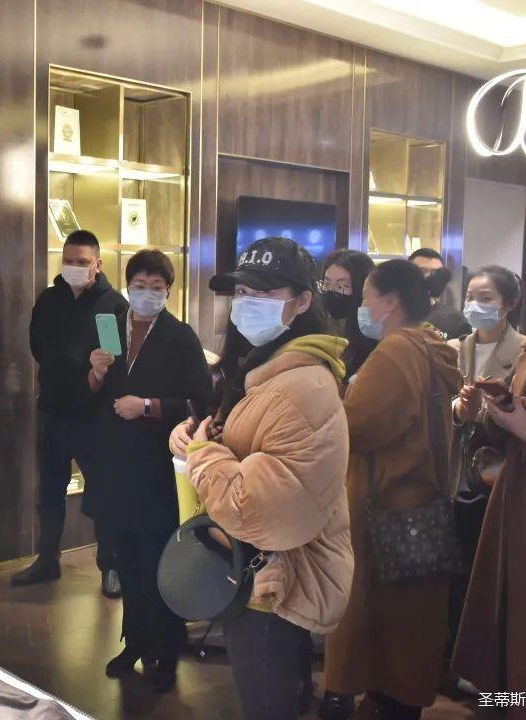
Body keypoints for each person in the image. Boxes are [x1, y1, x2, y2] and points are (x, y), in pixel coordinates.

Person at [170, 237, 353, 719]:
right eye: (241, 292)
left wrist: (202, 456)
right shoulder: (264, 369)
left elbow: (258, 509)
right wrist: (195, 437)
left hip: (274, 583)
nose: (247, 303)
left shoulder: (301, 386)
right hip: (256, 574)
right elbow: (241, 446)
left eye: (264, 292)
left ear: (303, 301)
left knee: (268, 703)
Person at [321, 259, 462, 720]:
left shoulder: (395, 351)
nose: (361, 306)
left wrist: (331, 401)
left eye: (365, 297)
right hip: (422, 505)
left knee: (383, 629)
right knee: (412, 628)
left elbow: (358, 425)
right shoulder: (431, 345)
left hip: (386, 508)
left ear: (389, 302)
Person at [84, 250, 212, 692]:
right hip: (114, 467)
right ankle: (134, 642)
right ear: (127, 286)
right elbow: (92, 395)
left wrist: (148, 406)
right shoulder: (108, 328)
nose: (147, 294)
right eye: (139, 286)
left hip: (156, 470)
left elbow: (200, 402)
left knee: (161, 565)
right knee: (127, 562)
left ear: (168, 291)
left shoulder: (180, 337)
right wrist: (95, 374)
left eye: (157, 288)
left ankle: (167, 650)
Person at [452, 249, 526, 719]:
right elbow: (514, 422)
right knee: (509, 630)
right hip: (514, 505)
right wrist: (502, 410)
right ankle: (508, 702)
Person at [12, 230, 128, 598]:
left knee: (104, 493)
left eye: (83, 262)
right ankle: (47, 559)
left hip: (94, 417)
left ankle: (110, 565)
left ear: (98, 264)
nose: (75, 267)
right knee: (50, 490)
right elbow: (37, 346)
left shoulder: (111, 305)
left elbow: (113, 360)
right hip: (53, 412)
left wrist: (87, 375)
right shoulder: (48, 300)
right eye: (69, 261)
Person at [446, 265, 525, 661]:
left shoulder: (525, 351)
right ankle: (452, 651)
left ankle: (480, 659)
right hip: (453, 469)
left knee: (486, 564)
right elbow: (441, 406)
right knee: (453, 561)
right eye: (470, 297)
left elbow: (521, 414)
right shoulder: (453, 348)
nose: (474, 305)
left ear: (509, 304)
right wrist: (458, 410)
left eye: (486, 298)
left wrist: (481, 411)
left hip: (495, 471)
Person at [320, 249, 377, 382]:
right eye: (326, 284)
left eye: (341, 286)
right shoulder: (317, 323)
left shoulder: (371, 328)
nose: (331, 291)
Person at [409, 248, 471, 340]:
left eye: (435, 273)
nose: (428, 276)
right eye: (422, 271)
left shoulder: (455, 320)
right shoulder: (393, 313)